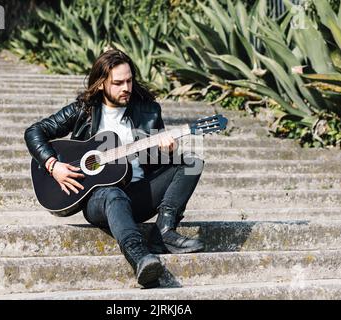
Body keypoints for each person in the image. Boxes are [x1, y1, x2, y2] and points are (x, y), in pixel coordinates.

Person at [24, 49, 205, 288]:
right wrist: (53, 164)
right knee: (112, 193)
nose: (126, 88)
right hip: (99, 199)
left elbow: (154, 163)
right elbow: (34, 132)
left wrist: (167, 151)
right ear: (100, 84)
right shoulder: (83, 110)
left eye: (129, 80)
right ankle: (140, 257)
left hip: (140, 193)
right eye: (118, 83)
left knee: (192, 163)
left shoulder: (148, 111)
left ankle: (164, 232)